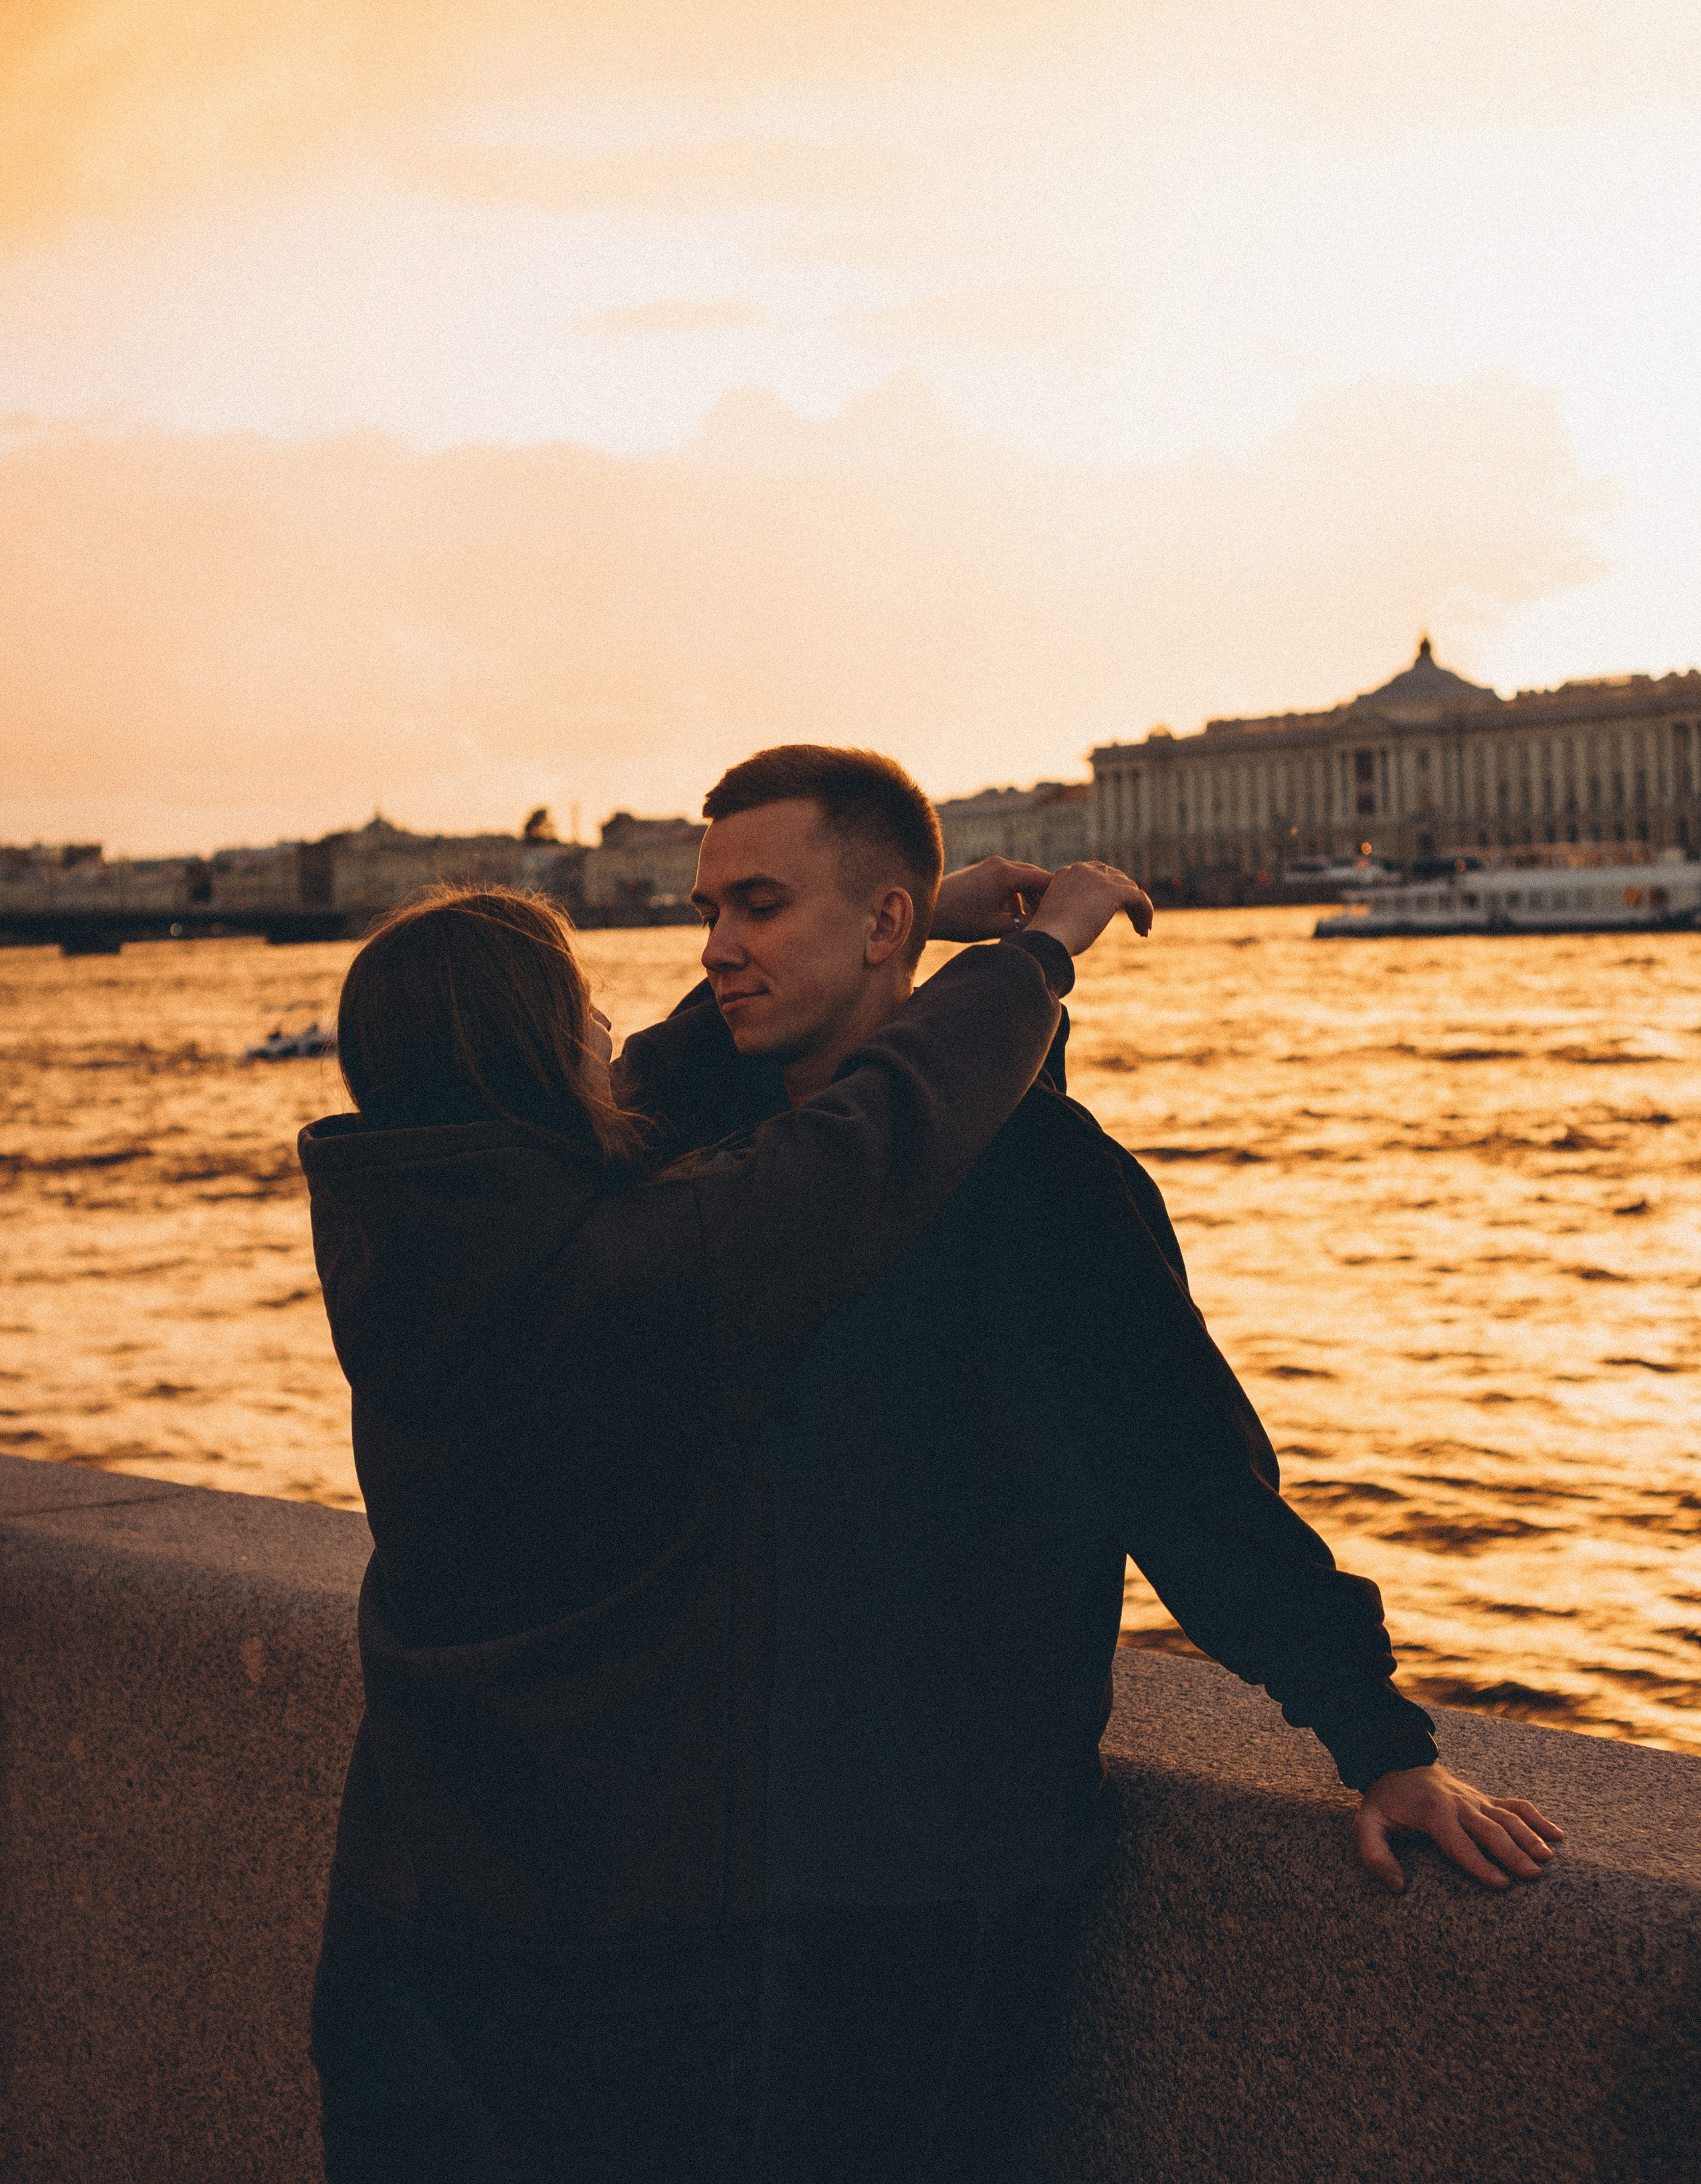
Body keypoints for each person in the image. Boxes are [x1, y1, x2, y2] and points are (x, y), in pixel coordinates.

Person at [615, 746, 1565, 2184]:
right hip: (726, 1849)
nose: (716, 950)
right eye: (709, 910)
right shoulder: (719, 1145)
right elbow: (623, 1091)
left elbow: (1184, 1477)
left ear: (874, 925)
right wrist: (933, 928)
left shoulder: (1044, 1181)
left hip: (935, 1869)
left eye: (756, 906)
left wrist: (1377, 1740)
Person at [298, 865, 1143, 2183]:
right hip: (594, 1967)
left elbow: (632, 1095)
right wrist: (1034, 955)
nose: (607, 1024)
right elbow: (884, 1127)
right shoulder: (635, 1273)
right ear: (530, 1046)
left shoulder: (403, 1237)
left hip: (401, 1927)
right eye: (579, 1003)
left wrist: (901, 909)